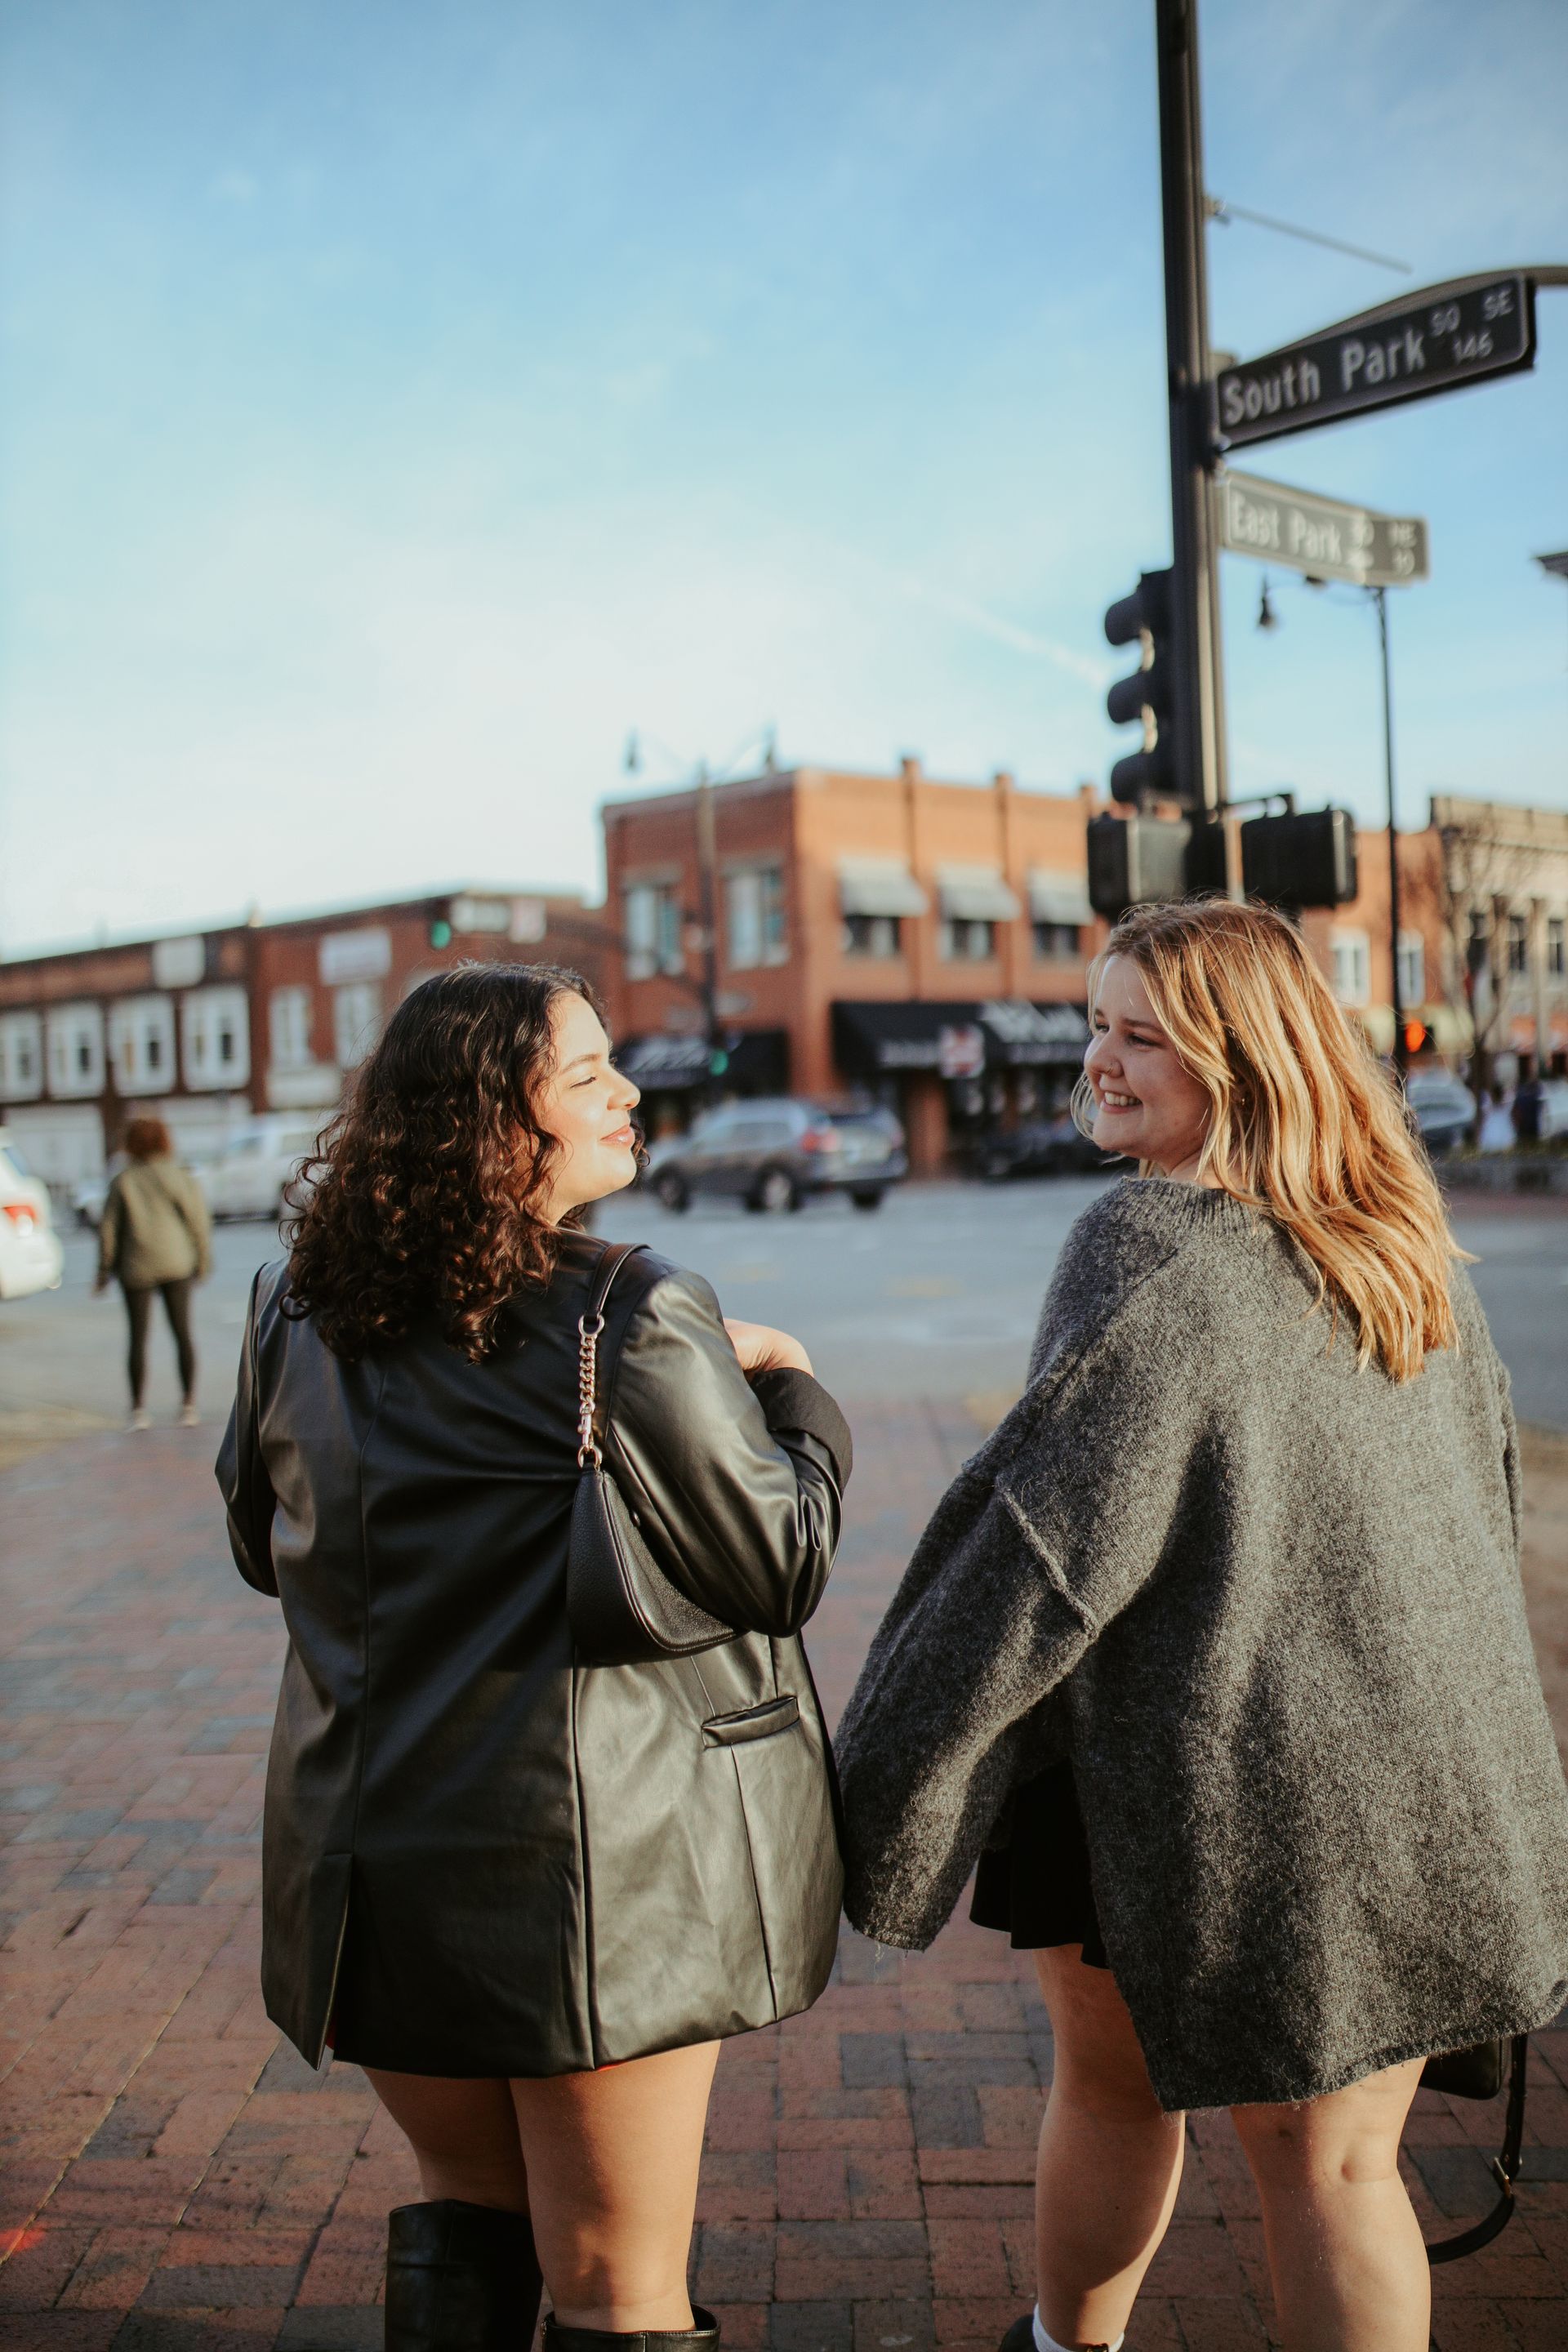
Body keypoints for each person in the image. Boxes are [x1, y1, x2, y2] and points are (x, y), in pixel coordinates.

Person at [835, 898, 1568, 2352]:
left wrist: (872, 1796)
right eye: (1096, 1025)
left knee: (1111, 2090)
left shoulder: (1148, 1242)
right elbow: (1483, 1512)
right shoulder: (1404, 1240)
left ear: (1241, 1055)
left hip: (1201, 1789)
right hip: (1428, 1784)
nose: (1098, 1063)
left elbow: (1035, 1554)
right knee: (1347, 2171)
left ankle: (1065, 2349)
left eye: (1140, 1036)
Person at [217, 963, 850, 2352]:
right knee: (619, 2288)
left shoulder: (290, 1305)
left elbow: (265, 1541)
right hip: (589, 1890)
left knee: (467, 2211)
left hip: (369, 1876)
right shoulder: (634, 1309)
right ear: (498, 1123)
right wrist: (794, 1383)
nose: (630, 1092)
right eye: (588, 1076)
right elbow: (781, 1559)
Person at [95, 1115, 212, 1430]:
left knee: (137, 1337)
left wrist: (103, 1272)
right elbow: (198, 1221)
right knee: (183, 1333)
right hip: (177, 1263)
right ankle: (188, 1404)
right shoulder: (179, 1177)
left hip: (136, 1267)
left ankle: (138, 1410)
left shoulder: (123, 1181)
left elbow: (109, 1230)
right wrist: (203, 1260)